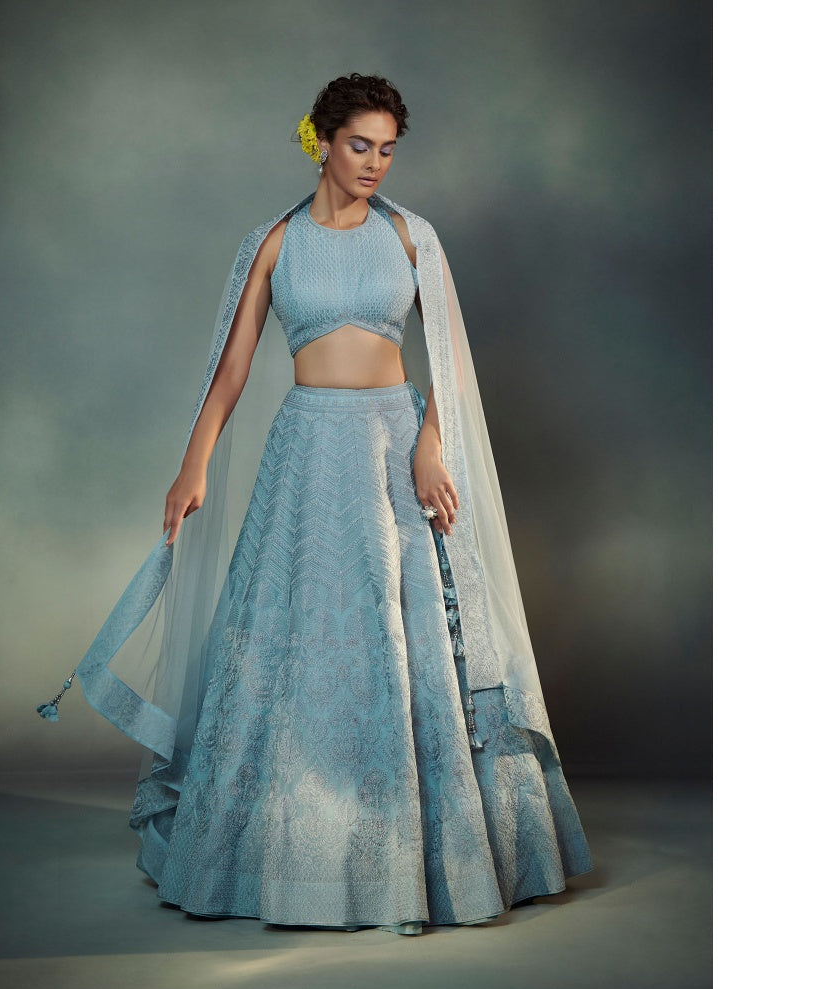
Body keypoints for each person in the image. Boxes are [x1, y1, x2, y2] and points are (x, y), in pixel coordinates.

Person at [38, 73, 592, 935]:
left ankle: (416, 856)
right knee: (293, 641)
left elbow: (449, 357)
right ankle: (296, 852)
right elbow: (232, 368)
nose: (374, 164)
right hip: (306, 451)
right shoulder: (274, 242)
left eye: (387, 150)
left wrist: (430, 446)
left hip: (393, 450)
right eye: (359, 145)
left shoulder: (411, 236)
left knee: (403, 640)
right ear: (321, 141)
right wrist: (192, 465)